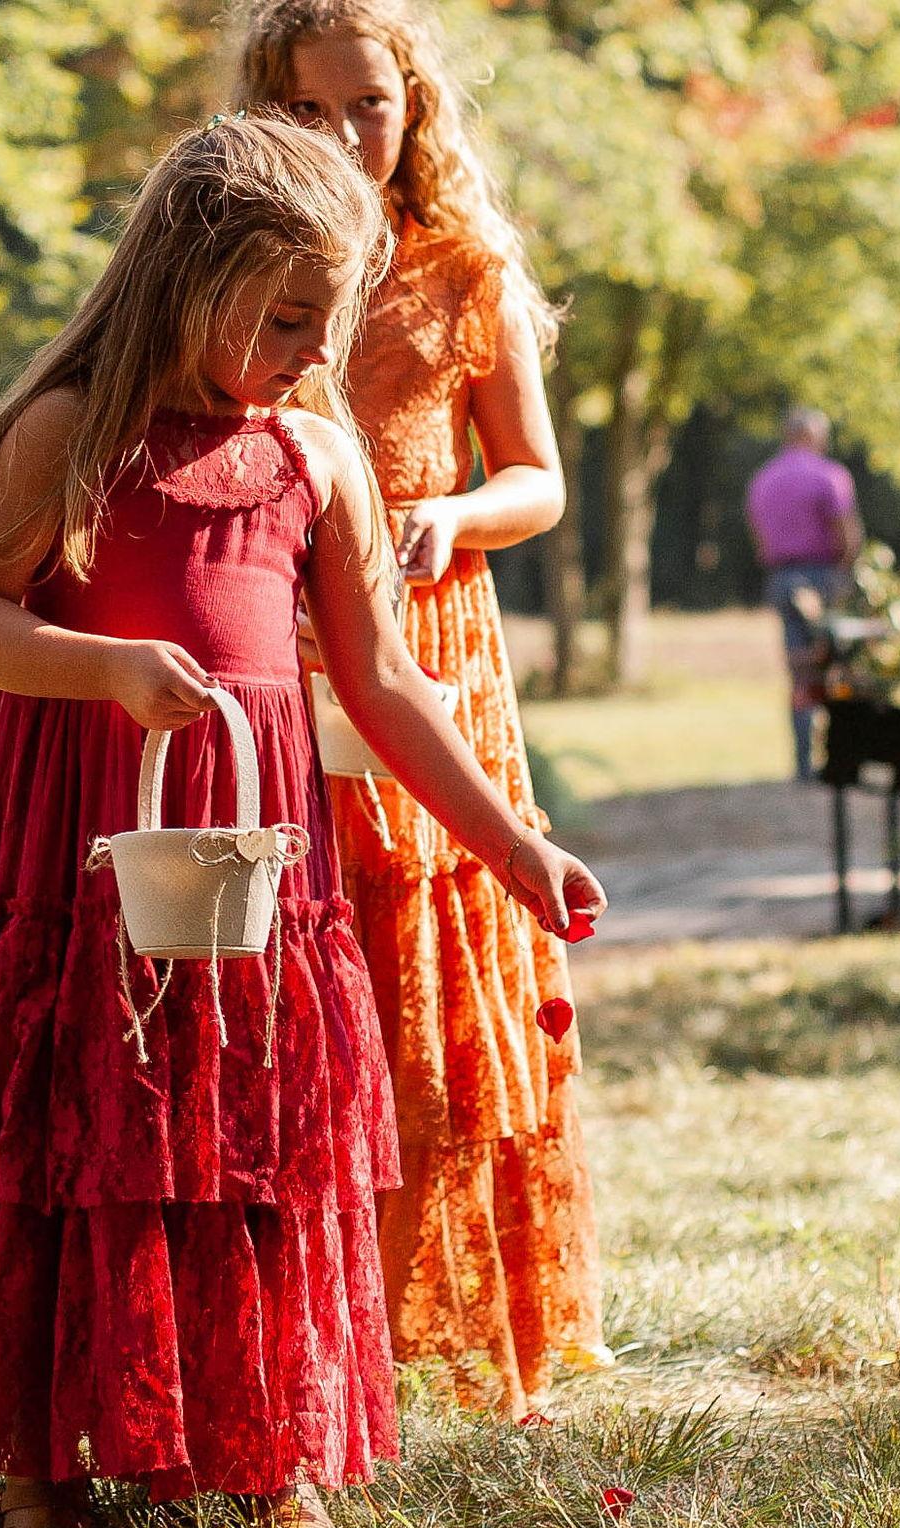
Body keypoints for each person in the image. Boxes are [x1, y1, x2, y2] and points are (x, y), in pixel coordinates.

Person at [0, 116, 605, 1528]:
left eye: (327, 322)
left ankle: (259, 1457)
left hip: (255, 862)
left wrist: (517, 844)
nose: (310, 355)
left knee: (251, 1141)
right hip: (76, 849)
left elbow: (382, 680)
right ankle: (42, 1504)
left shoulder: (312, 454)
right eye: (284, 319)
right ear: (187, 277)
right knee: (65, 1146)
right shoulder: (64, 431)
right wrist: (106, 667)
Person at [239, 0, 610, 1419]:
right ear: (265, 111)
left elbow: (539, 478)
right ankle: (288, 1322)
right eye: (308, 108)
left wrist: (454, 513)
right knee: (293, 959)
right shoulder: (232, 264)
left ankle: (419, 1328)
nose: (343, 134)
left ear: (413, 107)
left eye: (369, 106)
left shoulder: (463, 269)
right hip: (271, 640)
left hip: (425, 635)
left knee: (428, 982)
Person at [746, 407, 863, 781]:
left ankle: (803, 762)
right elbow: (847, 535)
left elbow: (759, 534)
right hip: (823, 576)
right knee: (838, 666)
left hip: (782, 578)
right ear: (813, 436)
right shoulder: (829, 475)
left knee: (800, 671)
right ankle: (841, 754)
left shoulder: (764, 479)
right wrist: (845, 576)